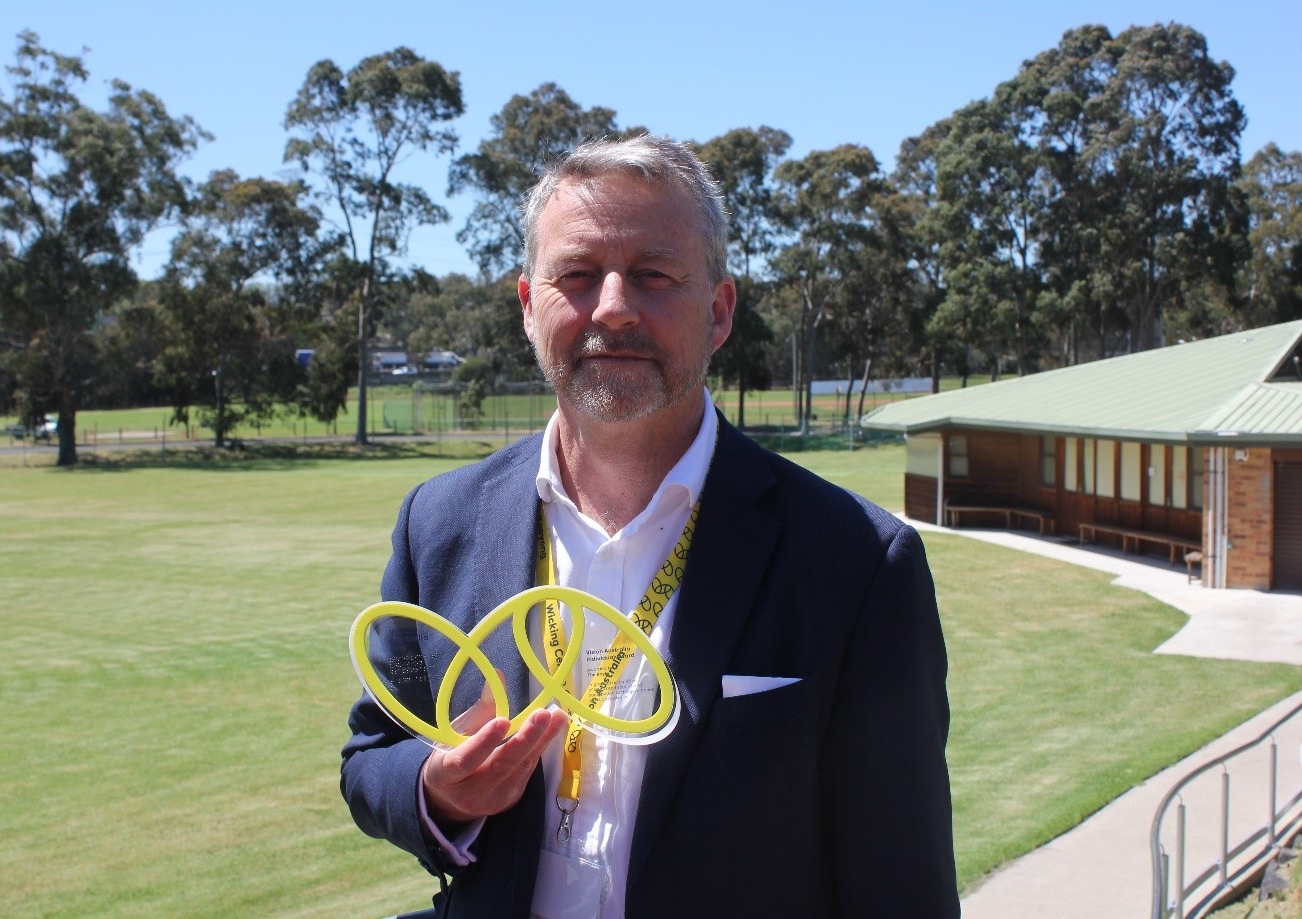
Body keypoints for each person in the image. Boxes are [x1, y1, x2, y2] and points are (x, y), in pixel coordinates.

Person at [341, 134, 958, 918]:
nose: (612, 307)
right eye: (575, 275)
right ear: (529, 307)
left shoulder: (858, 561)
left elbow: (902, 887)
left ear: (719, 310)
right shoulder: (440, 522)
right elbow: (371, 759)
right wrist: (437, 788)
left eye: (653, 275)